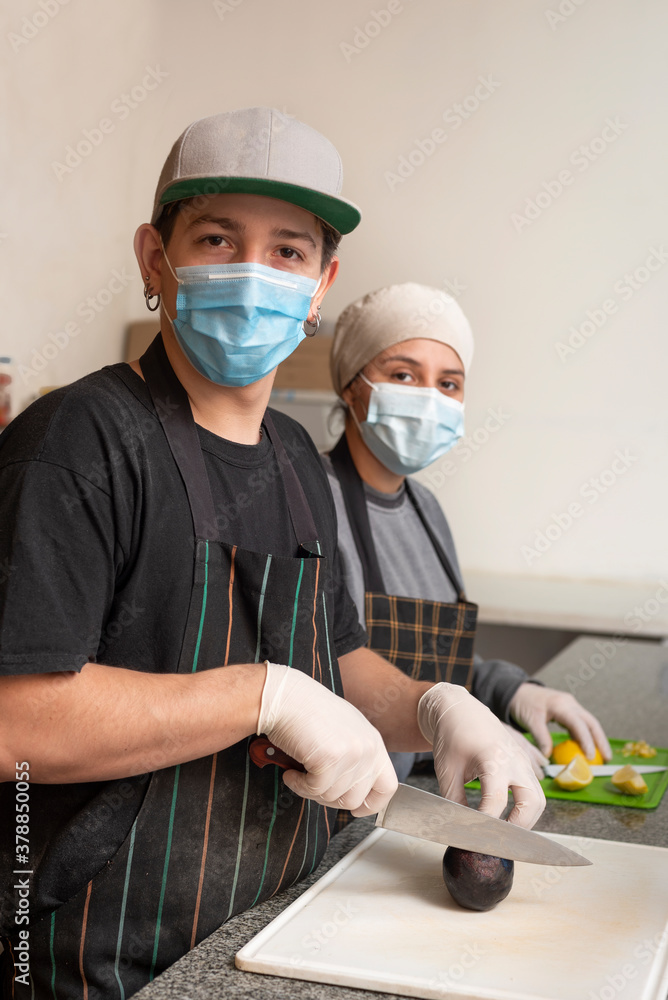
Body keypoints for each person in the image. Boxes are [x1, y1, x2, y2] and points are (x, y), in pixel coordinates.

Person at [0, 110, 545, 1000]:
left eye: (289, 251)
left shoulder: (294, 457)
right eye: (218, 238)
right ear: (155, 258)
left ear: (323, 283)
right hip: (91, 960)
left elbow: (341, 658)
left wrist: (437, 709)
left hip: (269, 928)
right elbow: (14, 724)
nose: (255, 273)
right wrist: (264, 696)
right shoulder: (80, 441)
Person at [324, 282, 611, 783]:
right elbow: (326, 667)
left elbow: (435, 661)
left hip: (426, 784)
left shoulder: (427, 511)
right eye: (404, 375)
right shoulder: (310, 500)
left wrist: (510, 690)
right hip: (350, 798)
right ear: (352, 386)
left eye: (449, 384)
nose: (429, 398)